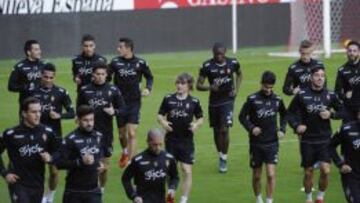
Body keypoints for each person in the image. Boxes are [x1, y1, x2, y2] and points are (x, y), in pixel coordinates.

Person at [288, 67, 342, 203]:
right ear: (311, 77)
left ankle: (320, 198)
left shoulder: (330, 94)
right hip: (307, 140)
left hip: (325, 139)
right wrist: (296, 126)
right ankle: (308, 198)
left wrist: (332, 114)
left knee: (326, 170)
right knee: (308, 172)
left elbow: (343, 111)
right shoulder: (301, 95)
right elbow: (290, 113)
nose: (320, 78)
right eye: (317, 75)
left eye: (322, 76)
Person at [28, 63, 75, 203]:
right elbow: (24, 113)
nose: (48, 80)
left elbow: (72, 113)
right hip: (36, 136)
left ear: (54, 77)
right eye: (45, 76)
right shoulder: (33, 92)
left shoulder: (61, 92)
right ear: (41, 75)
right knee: (36, 171)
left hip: (54, 137)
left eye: (51, 77)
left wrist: (60, 115)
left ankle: (50, 195)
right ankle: (40, 197)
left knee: (54, 171)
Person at [77, 61, 125, 192]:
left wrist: (114, 112)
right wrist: (79, 119)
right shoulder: (85, 90)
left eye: (103, 74)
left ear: (106, 75)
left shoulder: (113, 90)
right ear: (93, 74)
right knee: (90, 166)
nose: (100, 76)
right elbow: (79, 109)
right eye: (97, 74)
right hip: (87, 134)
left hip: (106, 134)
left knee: (104, 167)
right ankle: (92, 191)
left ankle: (101, 190)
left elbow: (123, 109)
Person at [239, 71, 286, 203]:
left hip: (272, 142)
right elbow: (242, 117)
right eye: (266, 87)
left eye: (271, 87)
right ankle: (259, 199)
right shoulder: (252, 99)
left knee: (271, 174)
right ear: (261, 84)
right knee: (257, 176)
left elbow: (285, 114)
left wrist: (282, 129)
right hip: (256, 144)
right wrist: (251, 127)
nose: (268, 90)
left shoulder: (277, 100)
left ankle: (269, 200)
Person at [0, 97, 57, 203]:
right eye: (33, 112)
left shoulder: (48, 132)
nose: (38, 115)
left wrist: (51, 158)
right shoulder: (11, 134)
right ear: (24, 114)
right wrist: (5, 173)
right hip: (18, 183)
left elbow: (58, 153)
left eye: (39, 111)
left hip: (38, 184)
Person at [196, 42, 242, 173]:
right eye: (217, 54)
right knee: (216, 131)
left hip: (227, 100)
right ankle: (220, 154)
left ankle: (224, 158)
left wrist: (236, 90)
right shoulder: (207, 66)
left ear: (225, 52)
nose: (219, 57)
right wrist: (210, 87)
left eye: (221, 54)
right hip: (214, 103)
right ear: (213, 53)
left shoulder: (233, 63)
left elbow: (239, 74)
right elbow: (198, 85)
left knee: (224, 129)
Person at [158, 73, 204, 203]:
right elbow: (160, 115)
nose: (179, 85)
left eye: (182, 83)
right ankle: (171, 191)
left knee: (186, 170)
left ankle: (183, 200)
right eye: (177, 83)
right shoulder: (168, 99)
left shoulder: (194, 102)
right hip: (171, 140)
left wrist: (196, 125)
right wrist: (164, 123)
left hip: (186, 141)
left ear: (189, 85)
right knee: (168, 169)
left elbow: (200, 117)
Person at [109, 37, 154, 168]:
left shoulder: (140, 63)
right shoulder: (115, 62)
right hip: (119, 103)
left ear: (128, 48)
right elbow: (106, 77)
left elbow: (149, 77)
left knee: (132, 133)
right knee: (122, 134)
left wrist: (147, 88)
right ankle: (125, 152)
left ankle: (132, 163)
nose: (118, 49)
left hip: (134, 102)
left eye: (120, 47)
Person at [53, 105, 106, 203]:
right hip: (74, 192)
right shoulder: (70, 139)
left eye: (91, 120)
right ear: (78, 120)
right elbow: (59, 163)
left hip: (94, 191)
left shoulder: (98, 137)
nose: (89, 123)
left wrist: (101, 165)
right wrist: (80, 162)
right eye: (85, 120)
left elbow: (99, 156)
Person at [122, 128, 179, 203]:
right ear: (148, 142)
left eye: (160, 144)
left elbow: (175, 177)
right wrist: (133, 196)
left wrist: (172, 188)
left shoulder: (168, 158)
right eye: (154, 145)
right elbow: (125, 179)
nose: (158, 148)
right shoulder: (138, 160)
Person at [330, 108, 360, 203]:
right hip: (351, 175)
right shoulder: (347, 129)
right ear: (358, 115)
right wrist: (340, 164)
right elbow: (330, 146)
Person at [8, 40, 44, 112]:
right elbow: (11, 86)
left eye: (39, 49)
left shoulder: (44, 65)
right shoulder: (19, 67)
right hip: (26, 104)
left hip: (42, 103)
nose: (40, 51)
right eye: (36, 49)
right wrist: (25, 87)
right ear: (29, 52)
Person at [334, 40, 360, 123]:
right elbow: (337, 92)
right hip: (349, 109)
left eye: (354, 51)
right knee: (348, 134)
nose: (352, 53)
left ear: (359, 52)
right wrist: (345, 96)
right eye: (350, 51)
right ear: (347, 52)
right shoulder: (342, 70)